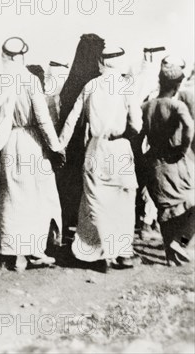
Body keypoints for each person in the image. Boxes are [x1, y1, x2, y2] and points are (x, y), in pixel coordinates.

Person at [0, 37, 65, 272]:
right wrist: (55, 147)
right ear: (22, 57)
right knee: (36, 196)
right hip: (32, 142)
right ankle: (35, 249)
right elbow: (42, 118)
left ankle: (16, 254)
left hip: (9, 142)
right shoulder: (30, 81)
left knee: (12, 198)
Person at [59, 47, 142, 270]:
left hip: (96, 148)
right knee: (123, 201)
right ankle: (122, 253)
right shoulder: (127, 86)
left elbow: (72, 119)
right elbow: (136, 124)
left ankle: (98, 252)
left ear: (101, 62)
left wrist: (59, 147)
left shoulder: (91, 85)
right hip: (120, 147)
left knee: (96, 200)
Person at [140, 57, 195, 265]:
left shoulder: (146, 106)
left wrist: (142, 160)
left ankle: (171, 256)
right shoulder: (177, 106)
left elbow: (138, 136)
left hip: (153, 163)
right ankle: (180, 244)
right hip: (173, 161)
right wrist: (182, 149)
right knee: (189, 207)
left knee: (164, 211)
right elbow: (189, 127)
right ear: (178, 84)